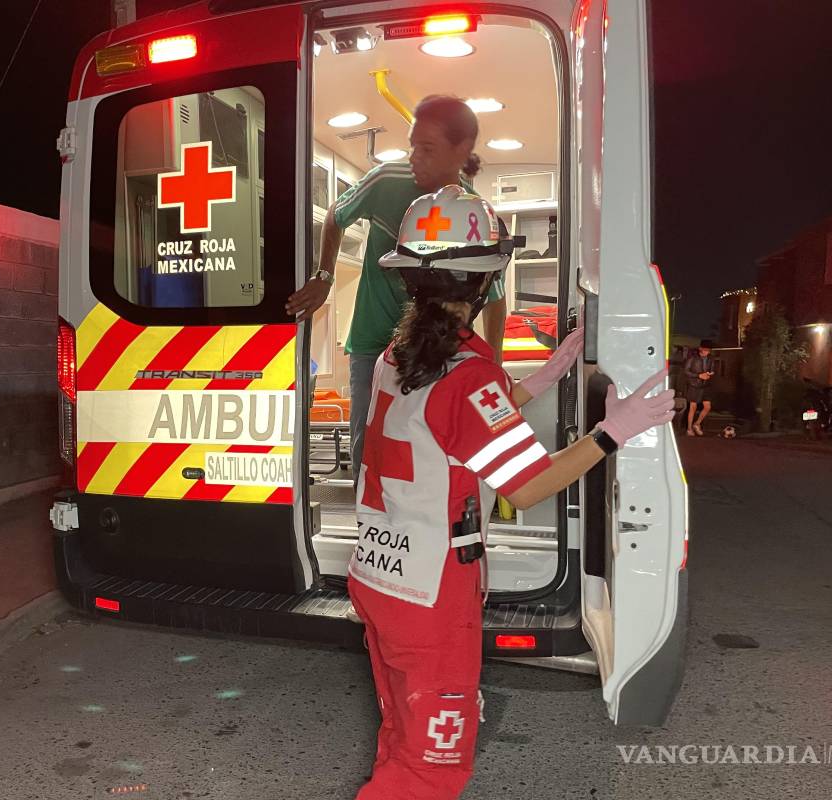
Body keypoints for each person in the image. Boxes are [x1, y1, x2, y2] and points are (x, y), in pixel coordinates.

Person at [348, 186, 674, 800]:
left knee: (401, 731)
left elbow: (450, 427)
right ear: (486, 280)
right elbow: (524, 487)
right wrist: (613, 433)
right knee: (429, 770)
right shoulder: (468, 373)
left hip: (380, 579)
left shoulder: (400, 356)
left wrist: (539, 380)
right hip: (431, 595)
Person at [286, 95, 508, 481]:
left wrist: (496, 363)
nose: (413, 157)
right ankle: (369, 527)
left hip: (439, 345)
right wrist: (325, 276)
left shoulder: (474, 210)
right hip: (374, 342)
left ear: (460, 151)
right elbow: (335, 218)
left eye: (426, 148)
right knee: (368, 446)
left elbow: (493, 297)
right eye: (412, 146)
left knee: (430, 446)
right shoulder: (386, 181)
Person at [684, 339, 715, 436]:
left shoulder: (711, 359)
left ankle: (697, 424)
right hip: (694, 385)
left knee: (707, 407)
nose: (707, 352)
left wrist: (710, 374)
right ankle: (689, 429)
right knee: (693, 407)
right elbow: (686, 371)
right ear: (700, 348)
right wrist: (698, 375)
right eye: (705, 350)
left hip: (706, 385)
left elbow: (712, 369)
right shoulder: (692, 358)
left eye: (708, 350)